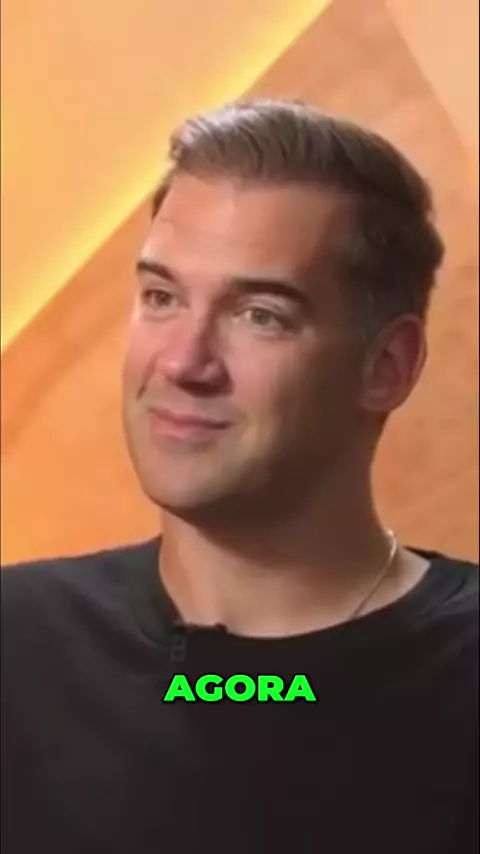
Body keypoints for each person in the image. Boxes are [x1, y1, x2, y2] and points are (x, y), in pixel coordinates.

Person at [1, 99, 478, 854]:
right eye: (162, 297)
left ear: (386, 366)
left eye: (260, 314)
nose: (183, 362)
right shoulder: (19, 642)